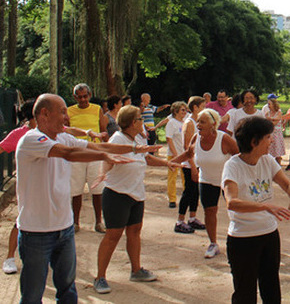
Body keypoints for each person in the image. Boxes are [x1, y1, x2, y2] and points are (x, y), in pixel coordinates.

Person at [15, 93, 143, 303]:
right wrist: (103, 156)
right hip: (36, 233)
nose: (67, 117)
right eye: (63, 112)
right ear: (45, 114)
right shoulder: (32, 140)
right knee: (32, 295)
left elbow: (99, 146)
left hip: (63, 230)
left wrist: (136, 148)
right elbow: (69, 154)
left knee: (67, 290)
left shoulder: (63, 136)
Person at [93, 105, 179, 294]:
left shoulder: (138, 138)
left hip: (136, 195)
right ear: (133, 122)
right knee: (113, 235)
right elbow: (107, 159)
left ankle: (136, 270)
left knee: (134, 231)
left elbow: (146, 157)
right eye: (140, 118)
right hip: (117, 195)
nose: (143, 121)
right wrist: (102, 174)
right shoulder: (117, 139)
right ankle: (100, 277)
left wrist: (166, 163)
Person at [222, 116, 290, 303]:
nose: (273, 140)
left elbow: (287, 183)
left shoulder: (267, 161)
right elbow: (232, 202)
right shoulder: (232, 166)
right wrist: (266, 206)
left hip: (269, 235)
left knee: (271, 290)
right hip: (242, 239)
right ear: (254, 141)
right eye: (268, 137)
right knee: (245, 295)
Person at [182, 108, 239, 258]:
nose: (198, 124)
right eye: (198, 121)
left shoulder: (224, 138)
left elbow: (238, 155)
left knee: (235, 210)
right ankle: (213, 243)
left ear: (213, 124)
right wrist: (169, 163)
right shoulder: (196, 138)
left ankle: (241, 240)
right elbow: (188, 154)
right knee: (209, 211)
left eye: (202, 122)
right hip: (206, 180)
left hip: (226, 180)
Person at [68, 83, 109, 233]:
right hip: (77, 155)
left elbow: (103, 131)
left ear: (90, 95)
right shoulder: (69, 111)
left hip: (94, 153)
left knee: (97, 189)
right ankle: (75, 222)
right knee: (76, 190)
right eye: (79, 97)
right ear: (75, 97)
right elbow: (66, 132)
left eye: (85, 96)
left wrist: (108, 148)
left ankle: (99, 222)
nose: (83, 99)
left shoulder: (97, 109)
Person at [2, 101, 36, 275]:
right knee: (22, 221)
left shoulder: (53, 132)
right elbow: (1, 147)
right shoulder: (20, 134)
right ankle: (9, 257)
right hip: (28, 188)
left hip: (48, 188)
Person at [165, 101, 188, 209]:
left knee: (185, 177)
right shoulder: (171, 122)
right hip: (174, 155)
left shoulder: (185, 122)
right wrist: (175, 154)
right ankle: (172, 199)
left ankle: (187, 196)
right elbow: (169, 139)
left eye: (185, 110)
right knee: (172, 177)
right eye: (182, 110)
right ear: (176, 111)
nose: (185, 112)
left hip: (184, 154)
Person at [263, 94, 286, 164]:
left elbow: (275, 122)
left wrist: (270, 119)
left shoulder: (278, 112)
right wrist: (272, 119)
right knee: (268, 151)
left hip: (277, 134)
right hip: (270, 133)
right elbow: (266, 122)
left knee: (277, 152)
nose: (268, 106)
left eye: (270, 104)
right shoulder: (267, 113)